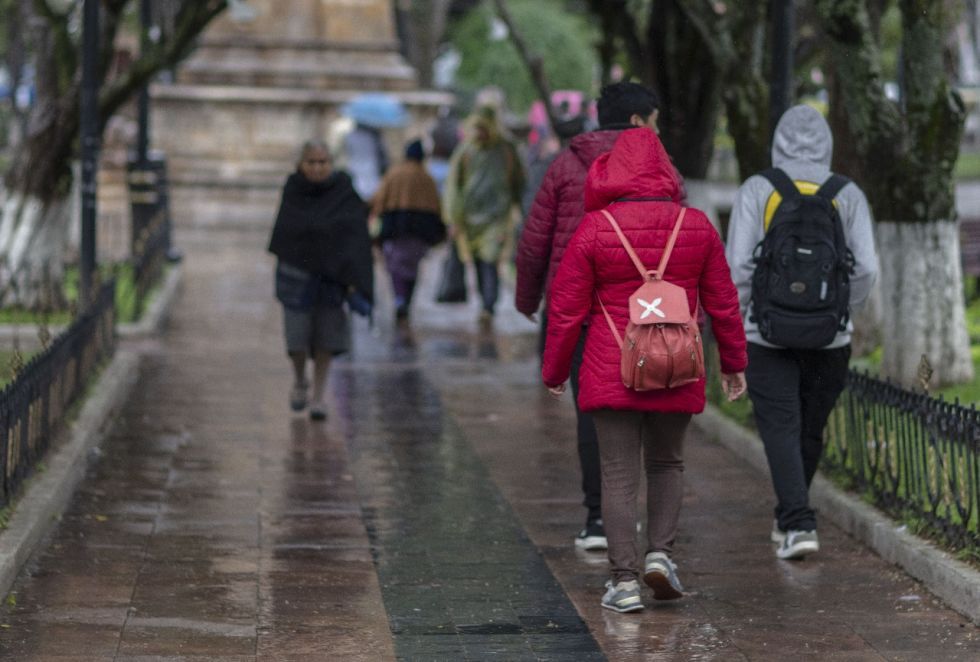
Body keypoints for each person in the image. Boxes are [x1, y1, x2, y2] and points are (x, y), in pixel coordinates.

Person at [541, 127, 747, 614]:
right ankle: (661, 554)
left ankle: (624, 580)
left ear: (615, 173)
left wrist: (554, 371)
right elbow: (724, 302)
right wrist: (734, 363)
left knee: (617, 472)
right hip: (678, 365)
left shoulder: (594, 229)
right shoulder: (696, 226)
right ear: (666, 173)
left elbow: (566, 310)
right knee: (667, 462)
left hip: (611, 366)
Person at [516, 82, 685, 552]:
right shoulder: (664, 170)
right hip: (655, 316)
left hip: (586, 315)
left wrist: (530, 301)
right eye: (653, 119)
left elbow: (536, 240)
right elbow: (686, 240)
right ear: (637, 122)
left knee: (594, 418)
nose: (657, 129)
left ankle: (598, 519)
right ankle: (657, 539)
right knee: (659, 430)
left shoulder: (566, 165)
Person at [725, 104, 878, 560]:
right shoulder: (846, 193)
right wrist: (840, 313)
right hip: (830, 337)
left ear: (777, 141)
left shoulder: (759, 188)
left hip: (765, 334)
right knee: (810, 427)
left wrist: (741, 317)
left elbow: (738, 266)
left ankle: (796, 520)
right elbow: (867, 267)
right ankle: (792, 517)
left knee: (780, 426)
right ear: (828, 143)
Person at [268, 140, 374, 421]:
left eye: (323, 162)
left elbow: (356, 235)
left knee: (326, 339)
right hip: (296, 278)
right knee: (297, 340)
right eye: (311, 163)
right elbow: (285, 233)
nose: (317, 168)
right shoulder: (293, 190)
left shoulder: (343, 192)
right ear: (301, 165)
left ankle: (318, 395)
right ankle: (300, 379)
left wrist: (353, 276)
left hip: (332, 279)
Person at [444, 105, 525, 321]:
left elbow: (519, 181)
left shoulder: (506, 150)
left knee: (490, 258)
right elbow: (454, 185)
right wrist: (453, 218)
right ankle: (485, 302)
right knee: (479, 260)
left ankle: (489, 304)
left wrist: (522, 209)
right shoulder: (465, 151)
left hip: (497, 218)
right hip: (470, 218)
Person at [371, 140, 446, 321]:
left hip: (395, 226)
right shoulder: (426, 177)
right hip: (419, 230)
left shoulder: (394, 173)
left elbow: (379, 199)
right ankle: (406, 300)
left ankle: (399, 298)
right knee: (412, 266)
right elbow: (437, 206)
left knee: (395, 265)